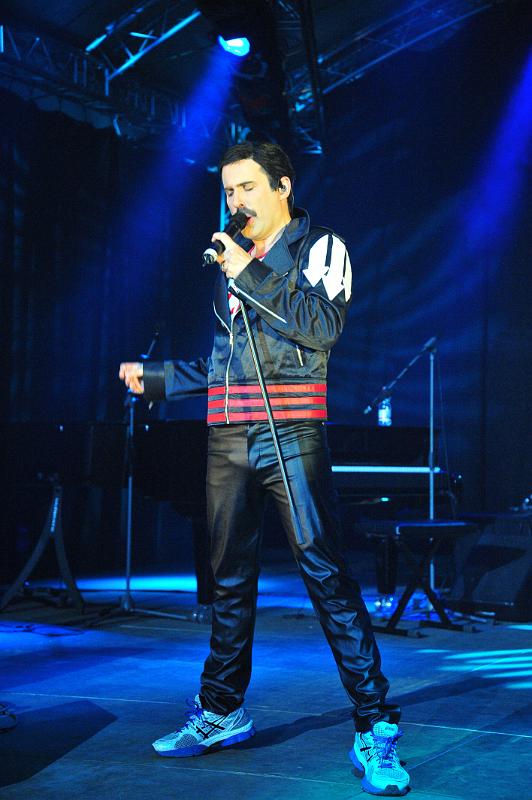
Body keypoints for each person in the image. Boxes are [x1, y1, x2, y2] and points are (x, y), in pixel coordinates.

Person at [119, 141, 410, 797]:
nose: (236, 201)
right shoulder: (234, 261)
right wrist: (160, 379)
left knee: (325, 573)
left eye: (247, 187)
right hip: (227, 435)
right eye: (228, 190)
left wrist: (246, 269)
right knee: (228, 577)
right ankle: (222, 710)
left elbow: (320, 327)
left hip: (292, 430)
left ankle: (374, 725)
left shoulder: (321, 248)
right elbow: (230, 363)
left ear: (283, 186)